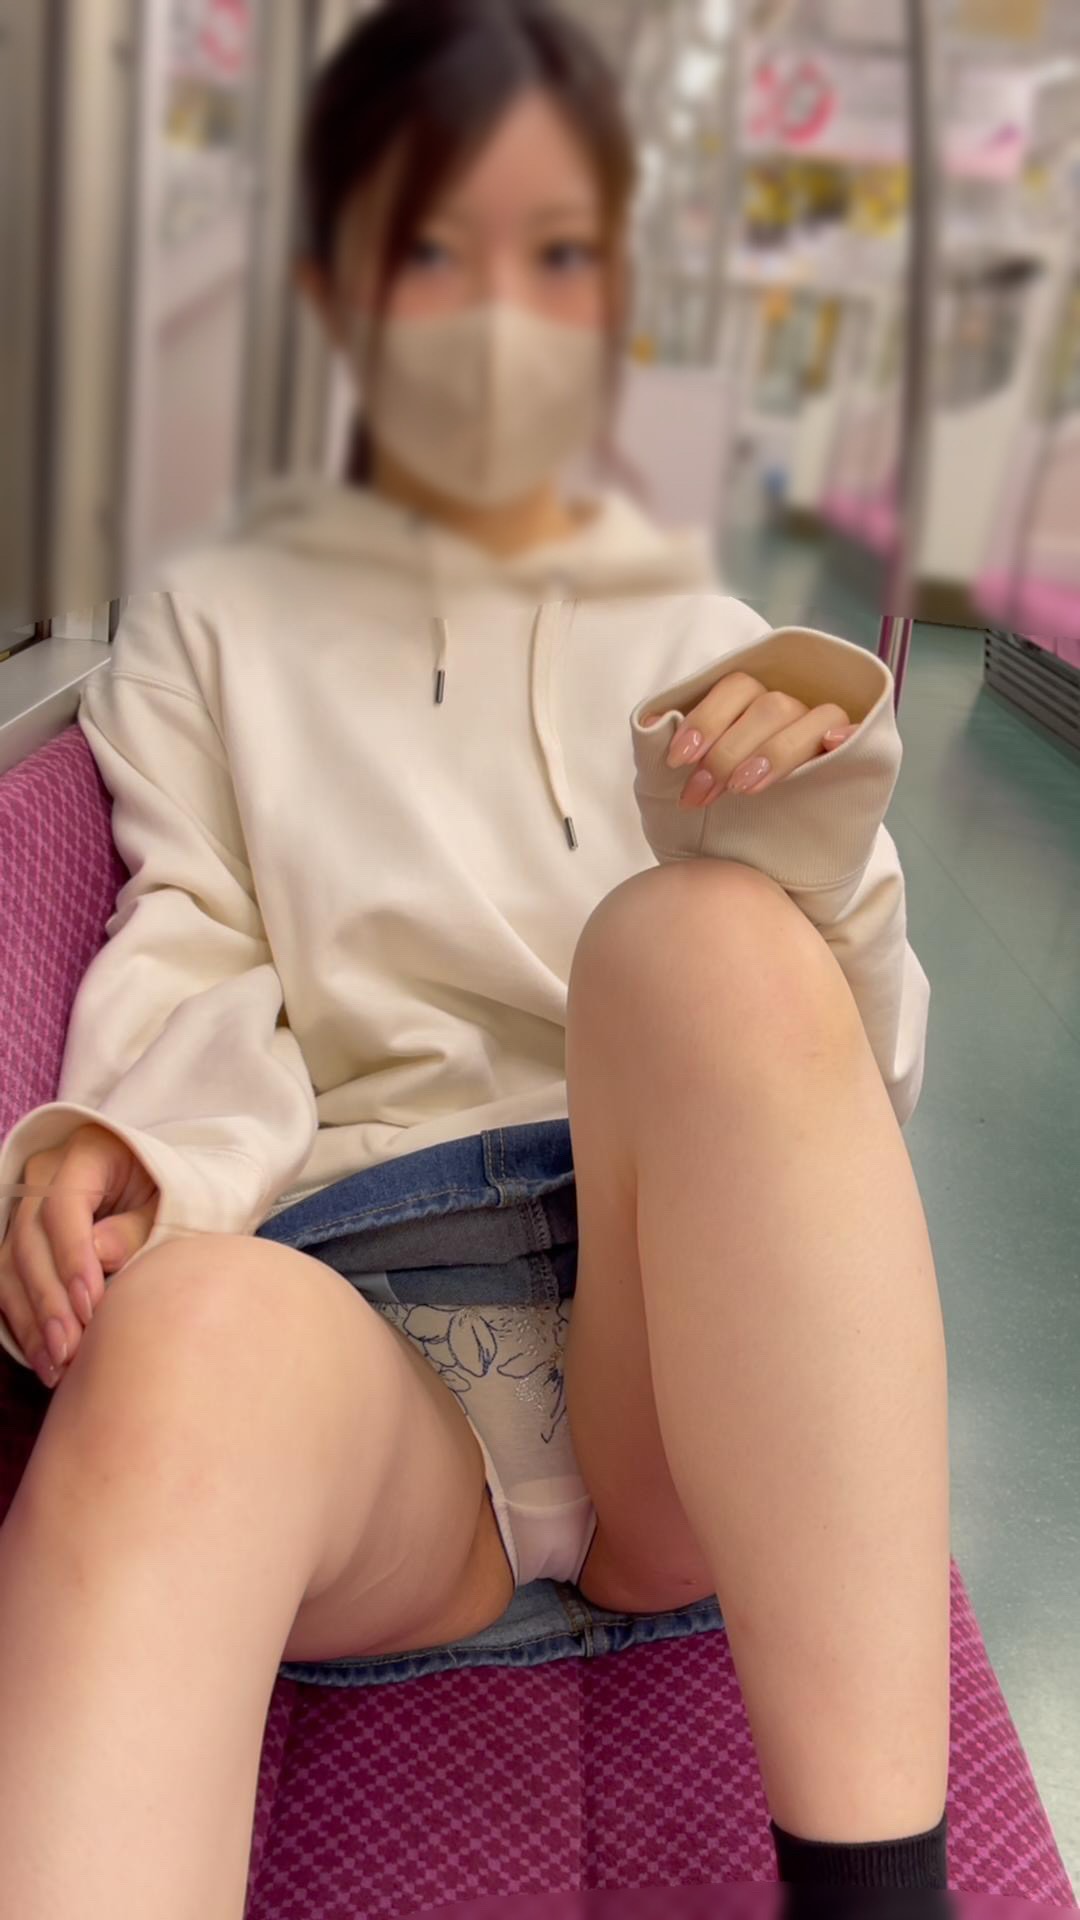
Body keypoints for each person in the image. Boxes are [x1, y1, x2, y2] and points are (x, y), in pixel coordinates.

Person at [0, 2, 951, 1915]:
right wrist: (125, 1145)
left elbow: (845, 1093)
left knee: (706, 941)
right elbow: (191, 933)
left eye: (559, 257)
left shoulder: (699, 624)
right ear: (329, 294)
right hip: (372, 1389)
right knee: (174, 1344)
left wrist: (799, 835)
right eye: (431, 250)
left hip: (674, 1375)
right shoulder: (207, 621)